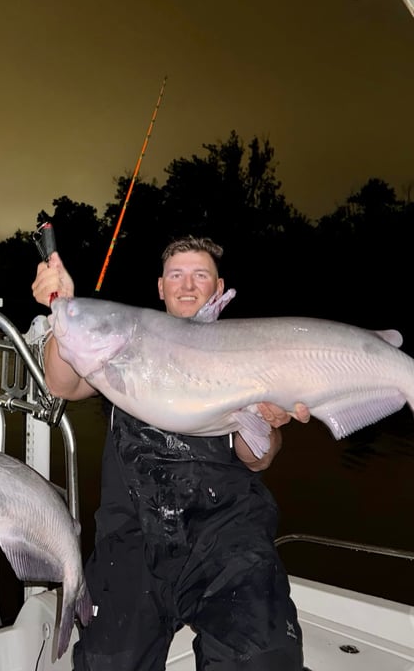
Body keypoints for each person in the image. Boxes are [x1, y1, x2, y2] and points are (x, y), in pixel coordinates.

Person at [32, 235, 309, 671]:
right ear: (160, 287)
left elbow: (257, 459)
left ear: (218, 288)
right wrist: (62, 309)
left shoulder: (250, 352)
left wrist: (270, 423)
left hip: (225, 535)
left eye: (201, 275)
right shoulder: (122, 344)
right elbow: (63, 384)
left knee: (264, 658)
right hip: (132, 538)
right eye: (176, 275)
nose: (187, 285)